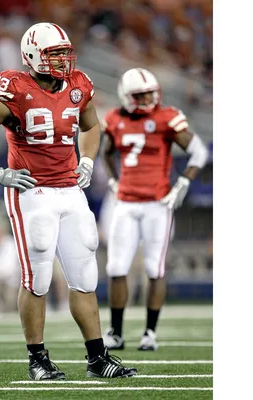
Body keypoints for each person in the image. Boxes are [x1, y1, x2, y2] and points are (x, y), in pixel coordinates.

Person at [0, 22, 137, 380]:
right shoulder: (15, 87)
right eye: (54, 54)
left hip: (70, 188)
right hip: (30, 192)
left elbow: (90, 126)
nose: (62, 60)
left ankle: (97, 358)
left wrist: (86, 160)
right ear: (32, 55)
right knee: (37, 277)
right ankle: (38, 359)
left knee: (85, 273)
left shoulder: (78, 85)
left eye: (64, 53)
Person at [100, 67, 208, 351]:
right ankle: (117, 332)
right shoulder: (114, 119)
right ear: (126, 96)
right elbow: (105, 151)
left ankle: (150, 332)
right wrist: (113, 180)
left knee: (154, 268)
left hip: (157, 204)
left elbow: (199, 151)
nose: (148, 98)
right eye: (141, 94)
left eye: (151, 92)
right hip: (125, 202)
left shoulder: (166, 117)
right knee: (116, 267)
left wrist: (184, 182)